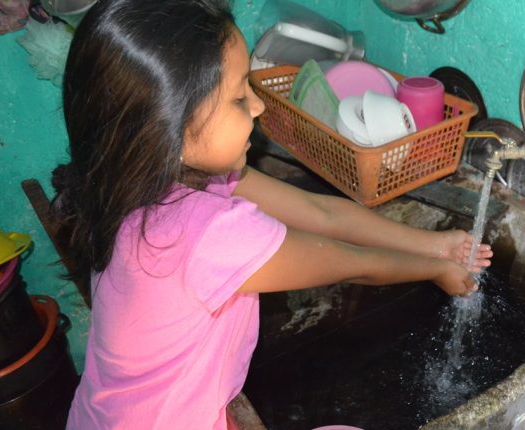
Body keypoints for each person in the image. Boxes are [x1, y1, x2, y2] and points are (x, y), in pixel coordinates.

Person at [54, 0, 492, 428]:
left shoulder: (140, 185)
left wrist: (437, 244)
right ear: (172, 125)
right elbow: (354, 263)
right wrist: (435, 270)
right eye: (238, 98)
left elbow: (321, 212)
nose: (259, 106)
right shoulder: (206, 231)